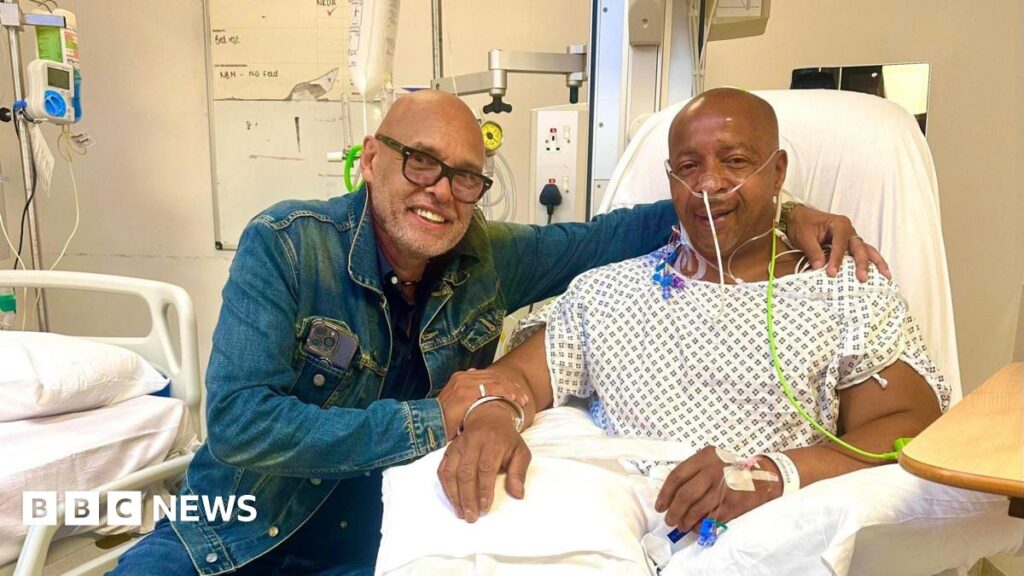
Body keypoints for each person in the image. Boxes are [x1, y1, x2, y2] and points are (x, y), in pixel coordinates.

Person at [108, 90, 884, 575]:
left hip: (379, 536)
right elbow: (240, 425)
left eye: (466, 177)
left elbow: (645, 221)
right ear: (370, 161)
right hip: (239, 523)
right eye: (420, 163)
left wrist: (780, 209)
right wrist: (448, 413)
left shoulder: (490, 254)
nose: (443, 194)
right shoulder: (286, 243)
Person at [439, 88, 949, 536]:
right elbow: (514, 380)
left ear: (777, 173)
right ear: (670, 180)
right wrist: (491, 416)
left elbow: (910, 425)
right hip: (620, 533)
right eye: (688, 167)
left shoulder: (842, 293)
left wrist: (772, 475)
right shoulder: (607, 292)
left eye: (735, 161)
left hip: (775, 540)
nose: (709, 184)